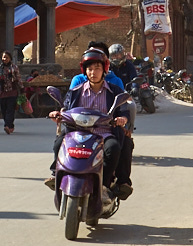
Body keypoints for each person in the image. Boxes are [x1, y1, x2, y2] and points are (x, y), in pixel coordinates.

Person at [45, 48, 134, 201]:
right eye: (90, 69)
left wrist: (122, 119)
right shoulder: (76, 91)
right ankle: (57, 174)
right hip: (77, 133)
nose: (93, 72)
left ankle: (104, 186)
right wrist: (58, 115)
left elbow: (123, 111)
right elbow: (66, 109)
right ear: (85, 71)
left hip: (104, 133)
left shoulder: (114, 91)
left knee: (113, 149)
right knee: (58, 143)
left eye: (97, 68)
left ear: (104, 69)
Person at [0, 51, 22, 134]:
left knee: (10, 110)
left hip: (12, 92)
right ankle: (10, 126)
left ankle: (7, 126)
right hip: (3, 92)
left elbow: (18, 78)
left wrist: (22, 88)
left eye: (6, 57)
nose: (5, 59)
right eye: (3, 57)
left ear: (10, 59)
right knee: (4, 110)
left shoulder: (14, 68)